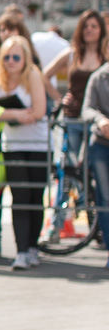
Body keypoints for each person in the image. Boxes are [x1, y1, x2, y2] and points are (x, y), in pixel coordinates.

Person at [0, 35, 48, 270]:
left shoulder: (33, 75)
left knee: (35, 197)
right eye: (7, 57)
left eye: (16, 57)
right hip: (13, 144)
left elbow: (39, 111)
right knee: (20, 196)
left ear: (25, 58)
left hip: (38, 144)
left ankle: (33, 247)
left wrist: (8, 113)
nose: (11, 61)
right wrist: (15, 114)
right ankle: (21, 251)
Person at [44, 10, 108, 162]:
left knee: (93, 163)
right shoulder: (72, 54)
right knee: (74, 165)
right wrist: (59, 98)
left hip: (96, 118)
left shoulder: (105, 55)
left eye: (93, 26)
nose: (89, 29)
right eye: (85, 26)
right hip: (73, 115)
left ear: (101, 30)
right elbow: (45, 75)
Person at [81, 61, 109, 269]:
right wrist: (100, 120)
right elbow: (87, 109)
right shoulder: (99, 77)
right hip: (101, 144)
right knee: (105, 198)